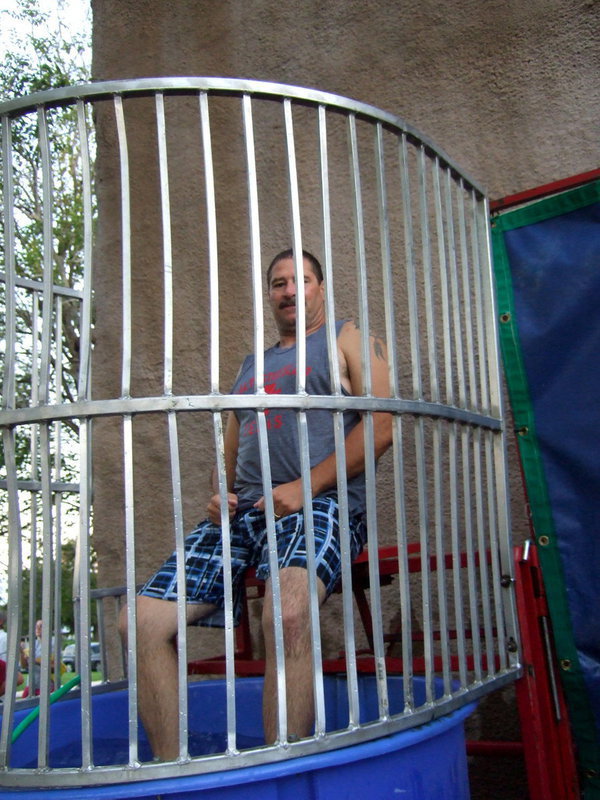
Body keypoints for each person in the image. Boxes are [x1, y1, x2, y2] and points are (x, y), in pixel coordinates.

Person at [120, 248, 393, 760]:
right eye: (278, 283)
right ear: (269, 295)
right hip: (242, 517)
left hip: (318, 505)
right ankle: (173, 775)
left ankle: (279, 775)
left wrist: (305, 486)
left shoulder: (347, 337)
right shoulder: (251, 366)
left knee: (288, 617)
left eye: (301, 280)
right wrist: (218, 494)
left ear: (319, 287)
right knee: (140, 624)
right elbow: (230, 452)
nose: (289, 291)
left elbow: (382, 427)